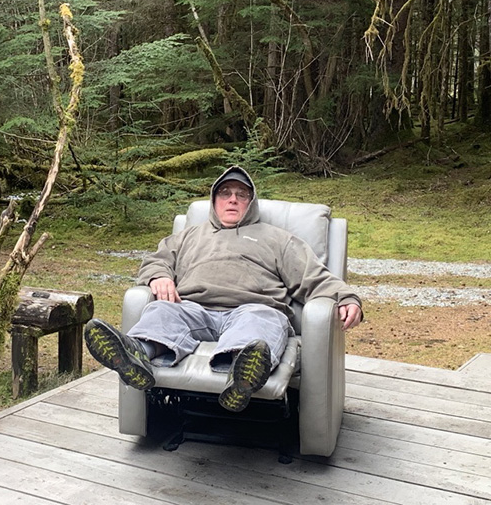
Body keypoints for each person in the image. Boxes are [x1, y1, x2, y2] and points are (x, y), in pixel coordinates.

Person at [85, 165, 362, 412]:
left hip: (253, 309)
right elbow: (157, 260)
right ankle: (135, 356)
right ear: (214, 200)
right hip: (192, 309)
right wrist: (159, 276)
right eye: (225, 193)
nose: (233, 199)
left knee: (262, 322)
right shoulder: (189, 236)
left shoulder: (279, 239)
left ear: (251, 202)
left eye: (241, 194)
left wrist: (346, 298)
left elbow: (314, 276)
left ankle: (239, 376)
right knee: (161, 311)